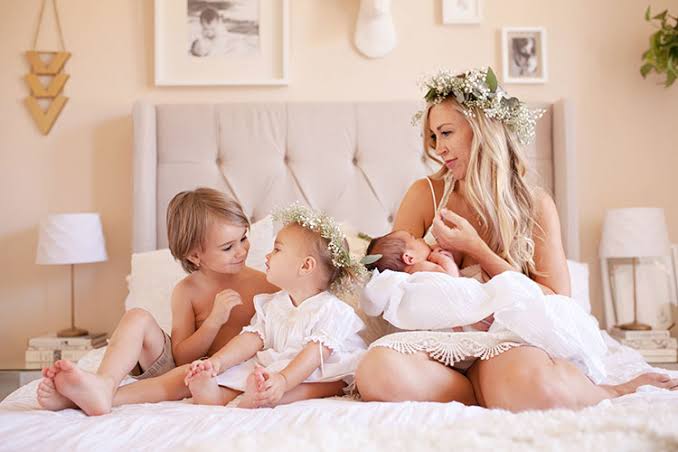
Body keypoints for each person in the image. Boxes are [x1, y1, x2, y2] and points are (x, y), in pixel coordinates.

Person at [355, 68, 678, 411]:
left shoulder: (535, 205)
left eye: (446, 132)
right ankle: (484, 392)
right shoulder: (426, 194)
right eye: (433, 137)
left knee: (541, 387)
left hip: (504, 340)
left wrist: (477, 249)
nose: (439, 148)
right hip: (439, 345)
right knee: (375, 371)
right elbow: (394, 277)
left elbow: (557, 301)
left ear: (483, 129)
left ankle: (612, 390)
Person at [36, 187, 278, 415]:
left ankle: (83, 398)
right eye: (227, 247)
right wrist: (213, 321)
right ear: (195, 256)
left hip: (221, 373)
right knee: (136, 317)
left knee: (191, 374)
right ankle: (104, 382)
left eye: (243, 238)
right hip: (182, 364)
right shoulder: (187, 291)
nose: (241, 251)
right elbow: (181, 357)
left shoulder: (266, 284)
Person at [184, 204, 367, 408]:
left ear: (305, 266)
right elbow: (250, 339)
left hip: (325, 370)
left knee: (319, 383)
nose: (267, 256)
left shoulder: (332, 310)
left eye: (277, 250)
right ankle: (216, 395)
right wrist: (218, 362)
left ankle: (264, 397)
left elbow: (314, 356)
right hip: (283, 365)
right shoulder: (273, 304)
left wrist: (283, 380)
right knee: (250, 370)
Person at [363, 230, 459, 276]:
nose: (421, 239)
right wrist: (441, 258)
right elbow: (451, 279)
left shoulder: (409, 277)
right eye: (415, 238)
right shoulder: (422, 267)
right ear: (409, 258)